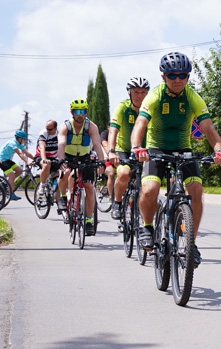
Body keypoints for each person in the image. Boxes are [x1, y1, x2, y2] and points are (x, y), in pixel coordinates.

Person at [130, 52, 221, 266]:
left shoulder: (192, 96)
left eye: (183, 75)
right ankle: (147, 226)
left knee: (197, 191)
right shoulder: (154, 95)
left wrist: (219, 148)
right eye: (172, 75)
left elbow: (208, 127)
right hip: (156, 149)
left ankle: (191, 242)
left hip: (184, 149)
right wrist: (137, 146)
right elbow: (140, 124)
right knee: (150, 189)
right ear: (163, 77)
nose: (178, 79)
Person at [57, 99, 105, 235]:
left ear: (86, 113)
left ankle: (89, 221)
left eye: (83, 111)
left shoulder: (91, 126)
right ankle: (62, 197)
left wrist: (101, 161)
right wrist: (61, 160)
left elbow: (97, 144)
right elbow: (61, 144)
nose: (80, 115)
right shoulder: (65, 126)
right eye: (77, 111)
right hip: (68, 155)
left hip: (85, 157)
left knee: (89, 187)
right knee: (65, 173)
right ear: (72, 112)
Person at [107, 77, 150, 220]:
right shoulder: (122, 108)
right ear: (129, 93)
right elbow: (113, 130)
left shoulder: (151, 108)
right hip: (124, 150)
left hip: (144, 151)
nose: (139, 96)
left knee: (149, 184)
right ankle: (117, 202)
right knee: (124, 174)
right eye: (136, 92)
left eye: (143, 92)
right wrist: (111, 151)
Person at [1, 130, 35, 201]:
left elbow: (27, 153)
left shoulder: (19, 144)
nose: (25, 140)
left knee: (20, 171)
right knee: (12, 176)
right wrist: (27, 162)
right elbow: (20, 154)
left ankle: (5, 183)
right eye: (24, 139)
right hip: (1, 160)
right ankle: (10, 194)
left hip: (7, 160)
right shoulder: (12, 143)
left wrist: (36, 158)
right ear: (19, 138)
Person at [35, 120, 62, 197]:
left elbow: (63, 147)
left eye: (50, 129)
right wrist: (44, 159)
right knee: (47, 164)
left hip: (53, 158)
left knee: (60, 177)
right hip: (40, 155)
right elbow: (42, 147)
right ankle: (42, 186)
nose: (48, 131)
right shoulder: (43, 133)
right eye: (46, 128)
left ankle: (58, 202)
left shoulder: (59, 134)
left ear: (55, 128)